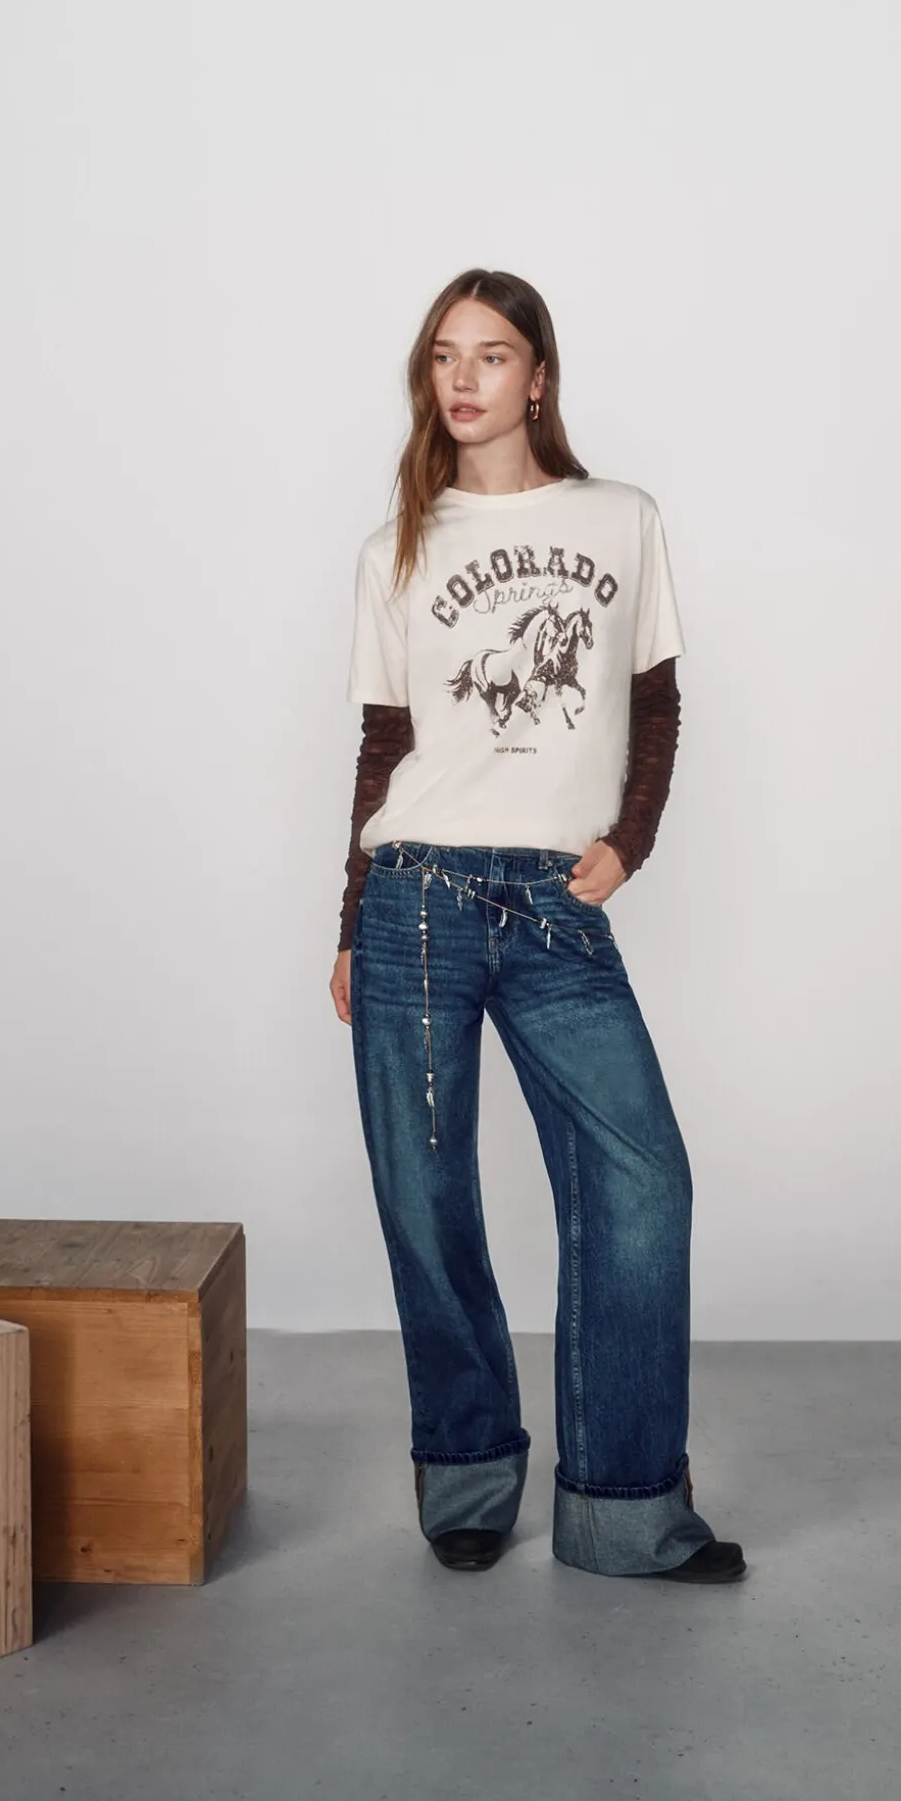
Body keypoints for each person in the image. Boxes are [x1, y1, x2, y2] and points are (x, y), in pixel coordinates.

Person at [328, 267, 747, 1584]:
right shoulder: (396, 546)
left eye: (493, 355)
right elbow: (384, 746)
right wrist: (349, 919)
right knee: (427, 1199)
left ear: (538, 376)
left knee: (642, 1181)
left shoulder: (620, 519)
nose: (464, 379)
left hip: (557, 910)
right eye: (445, 356)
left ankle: (624, 1506)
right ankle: (466, 1474)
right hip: (415, 901)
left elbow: (656, 702)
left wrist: (633, 839)